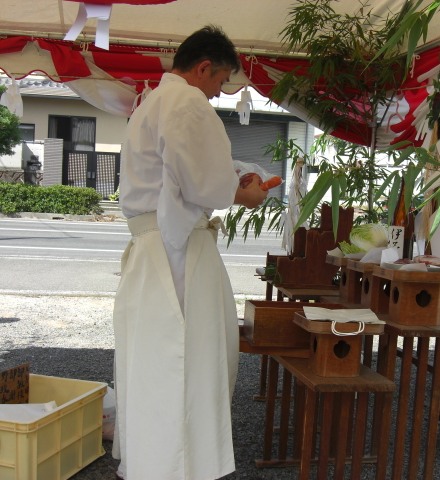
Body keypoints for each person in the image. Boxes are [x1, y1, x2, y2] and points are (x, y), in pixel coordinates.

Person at [112, 26, 268, 480]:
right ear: (203, 68)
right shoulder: (187, 102)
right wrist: (243, 194)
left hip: (153, 246)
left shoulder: (152, 103)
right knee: (186, 357)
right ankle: (180, 468)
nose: (219, 92)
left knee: (154, 359)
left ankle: (153, 463)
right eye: (220, 81)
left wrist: (227, 180)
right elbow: (202, 183)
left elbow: (181, 175)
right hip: (176, 248)